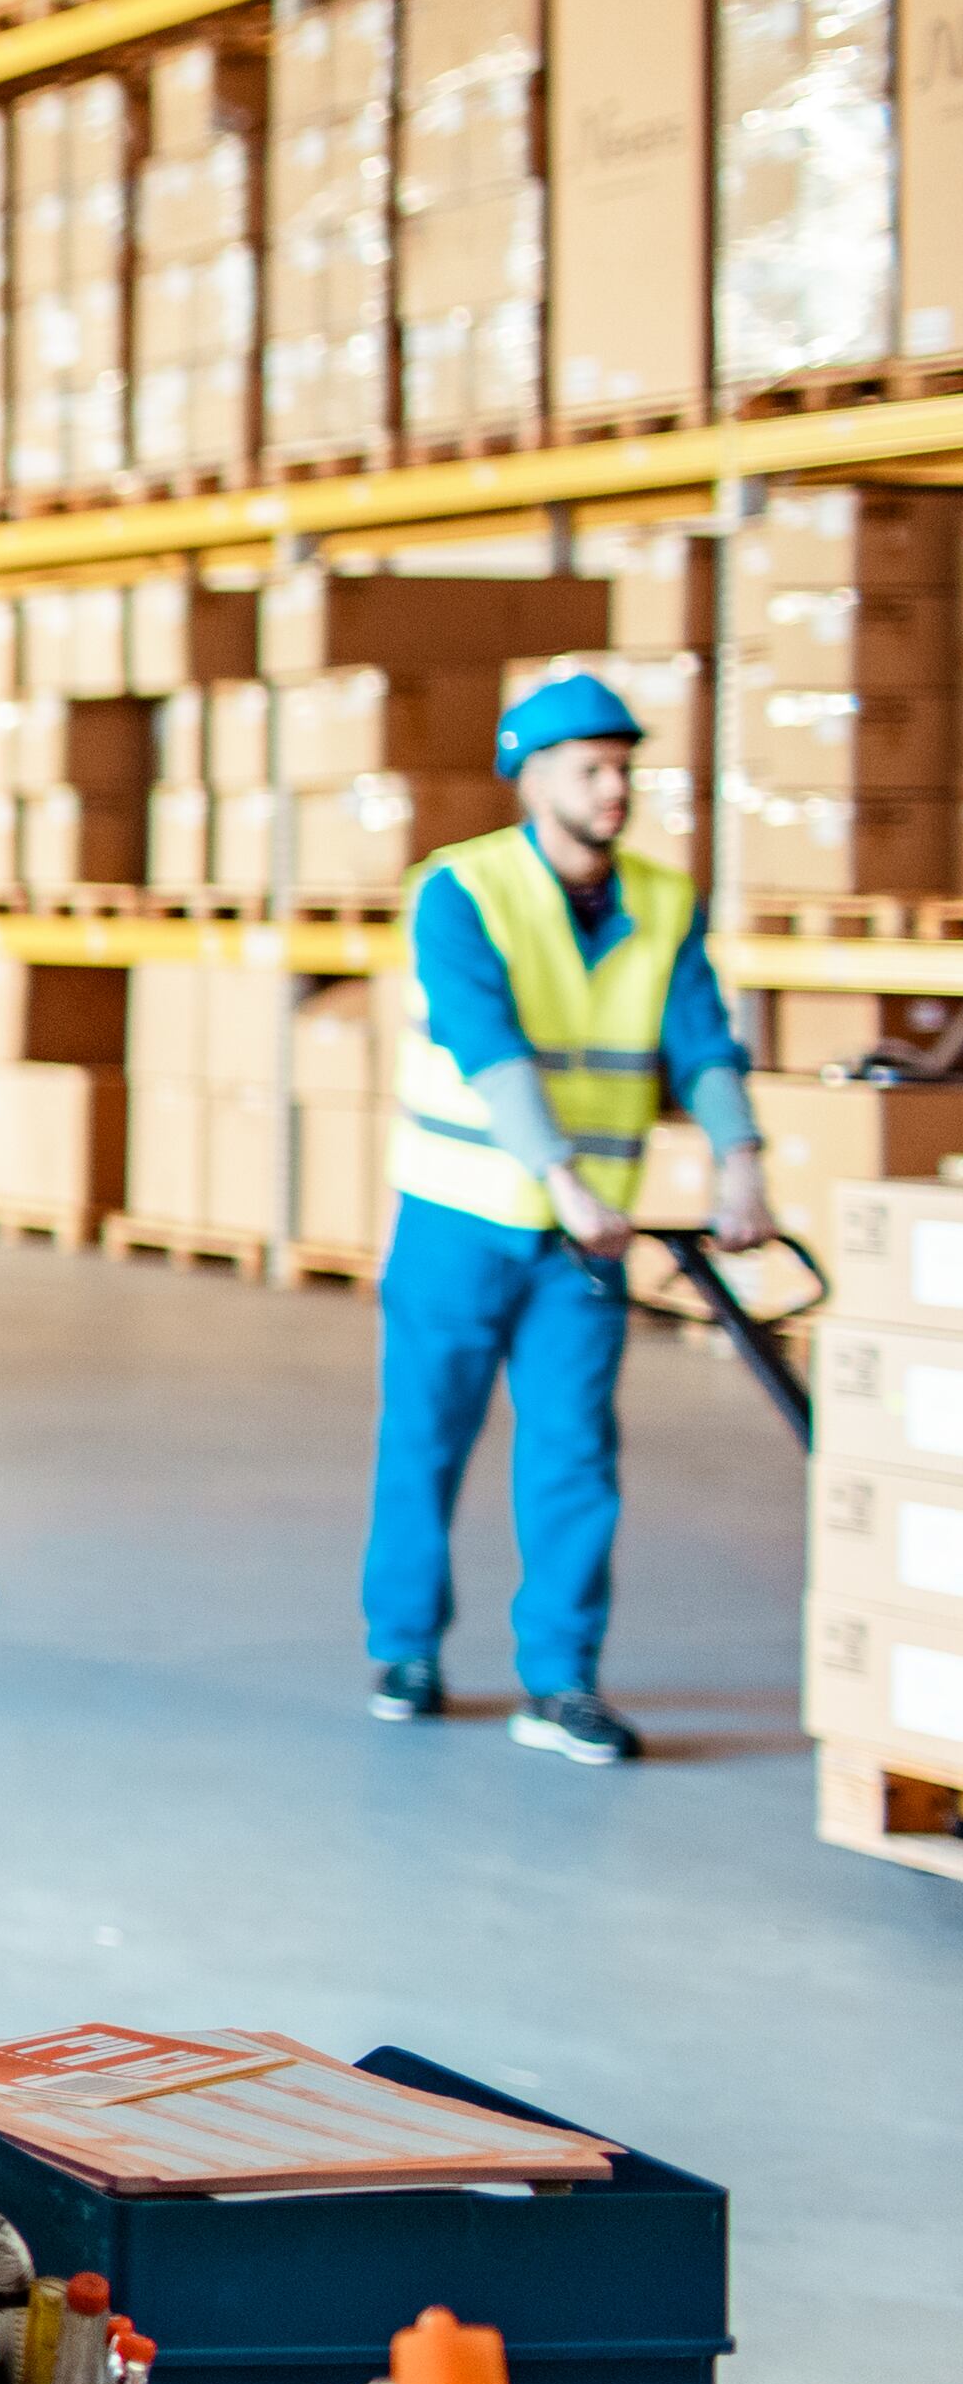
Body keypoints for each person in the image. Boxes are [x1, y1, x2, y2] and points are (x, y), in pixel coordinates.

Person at [361, 668, 770, 1764]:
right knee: (425, 1440)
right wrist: (566, 1181)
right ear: (528, 775)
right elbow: (482, 1044)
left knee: (574, 1455)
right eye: (590, 769)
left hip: (579, 1246)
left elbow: (702, 1040)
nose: (613, 789)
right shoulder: (461, 891)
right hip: (459, 1216)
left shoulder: (661, 900)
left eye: (622, 769)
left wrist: (740, 1163)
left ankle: (560, 1681)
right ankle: (404, 1649)